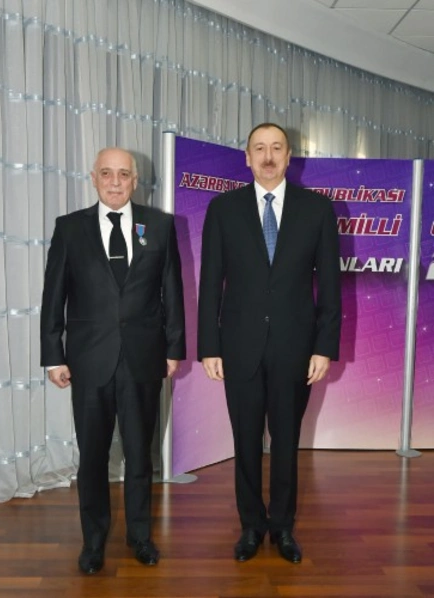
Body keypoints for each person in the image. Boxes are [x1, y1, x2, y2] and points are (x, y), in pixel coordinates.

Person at [197, 123, 341, 564]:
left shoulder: (318, 210)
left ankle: (282, 527)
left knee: (285, 441)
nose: (268, 156)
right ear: (247, 157)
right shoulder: (223, 209)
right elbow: (210, 284)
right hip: (238, 346)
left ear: (289, 155)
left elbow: (330, 287)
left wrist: (324, 347)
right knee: (244, 441)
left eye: (277, 148)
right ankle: (250, 526)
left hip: (295, 348)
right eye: (259, 148)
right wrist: (209, 346)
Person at [40, 147, 186, 573]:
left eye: (124, 174)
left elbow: (172, 291)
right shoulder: (69, 228)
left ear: (135, 180)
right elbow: (53, 296)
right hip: (89, 360)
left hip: (143, 359)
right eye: (107, 173)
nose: (116, 182)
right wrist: (53, 355)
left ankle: (140, 536)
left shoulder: (159, 226)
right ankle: (93, 542)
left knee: (140, 455)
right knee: (92, 457)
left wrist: (173, 349)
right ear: (94, 178)